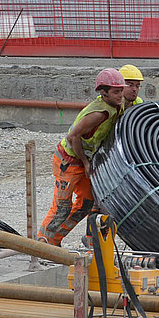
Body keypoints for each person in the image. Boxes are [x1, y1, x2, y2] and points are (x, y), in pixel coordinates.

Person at [37, 68, 125, 246]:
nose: (120, 95)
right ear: (103, 92)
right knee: (62, 207)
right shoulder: (98, 113)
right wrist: (85, 162)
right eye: (116, 92)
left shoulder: (115, 107)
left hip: (83, 160)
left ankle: (54, 241)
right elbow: (73, 137)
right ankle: (42, 244)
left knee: (86, 203)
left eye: (121, 91)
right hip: (68, 161)